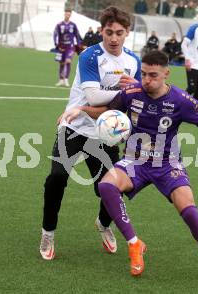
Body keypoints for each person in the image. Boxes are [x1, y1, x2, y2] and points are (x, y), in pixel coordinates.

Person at [61, 50, 198, 286]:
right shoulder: (132, 92)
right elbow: (107, 110)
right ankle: (134, 244)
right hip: (135, 160)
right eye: (144, 74)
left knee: (189, 210)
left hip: (167, 164)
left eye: (153, 75)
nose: (147, 80)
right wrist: (81, 109)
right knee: (106, 186)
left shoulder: (180, 100)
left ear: (166, 74)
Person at [39, 6, 142, 261]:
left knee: (110, 189)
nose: (114, 38)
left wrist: (135, 97)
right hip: (74, 128)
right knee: (56, 178)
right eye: (109, 32)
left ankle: (104, 224)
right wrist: (129, 91)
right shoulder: (90, 56)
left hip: (106, 134)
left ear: (127, 32)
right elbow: (94, 96)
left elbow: (137, 101)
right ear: (101, 31)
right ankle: (48, 232)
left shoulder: (133, 61)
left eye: (119, 32)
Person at [53, 8, 82, 87]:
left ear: (70, 15)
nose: (67, 15)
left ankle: (66, 79)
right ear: (64, 14)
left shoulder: (73, 25)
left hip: (70, 46)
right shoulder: (59, 25)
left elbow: (77, 35)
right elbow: (55, 34)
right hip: (62, 46)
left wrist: (79, 44)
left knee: (68, 61)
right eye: (66, 14)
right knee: (61, 63)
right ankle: (61, 79)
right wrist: (56, 44)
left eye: (69, 14)